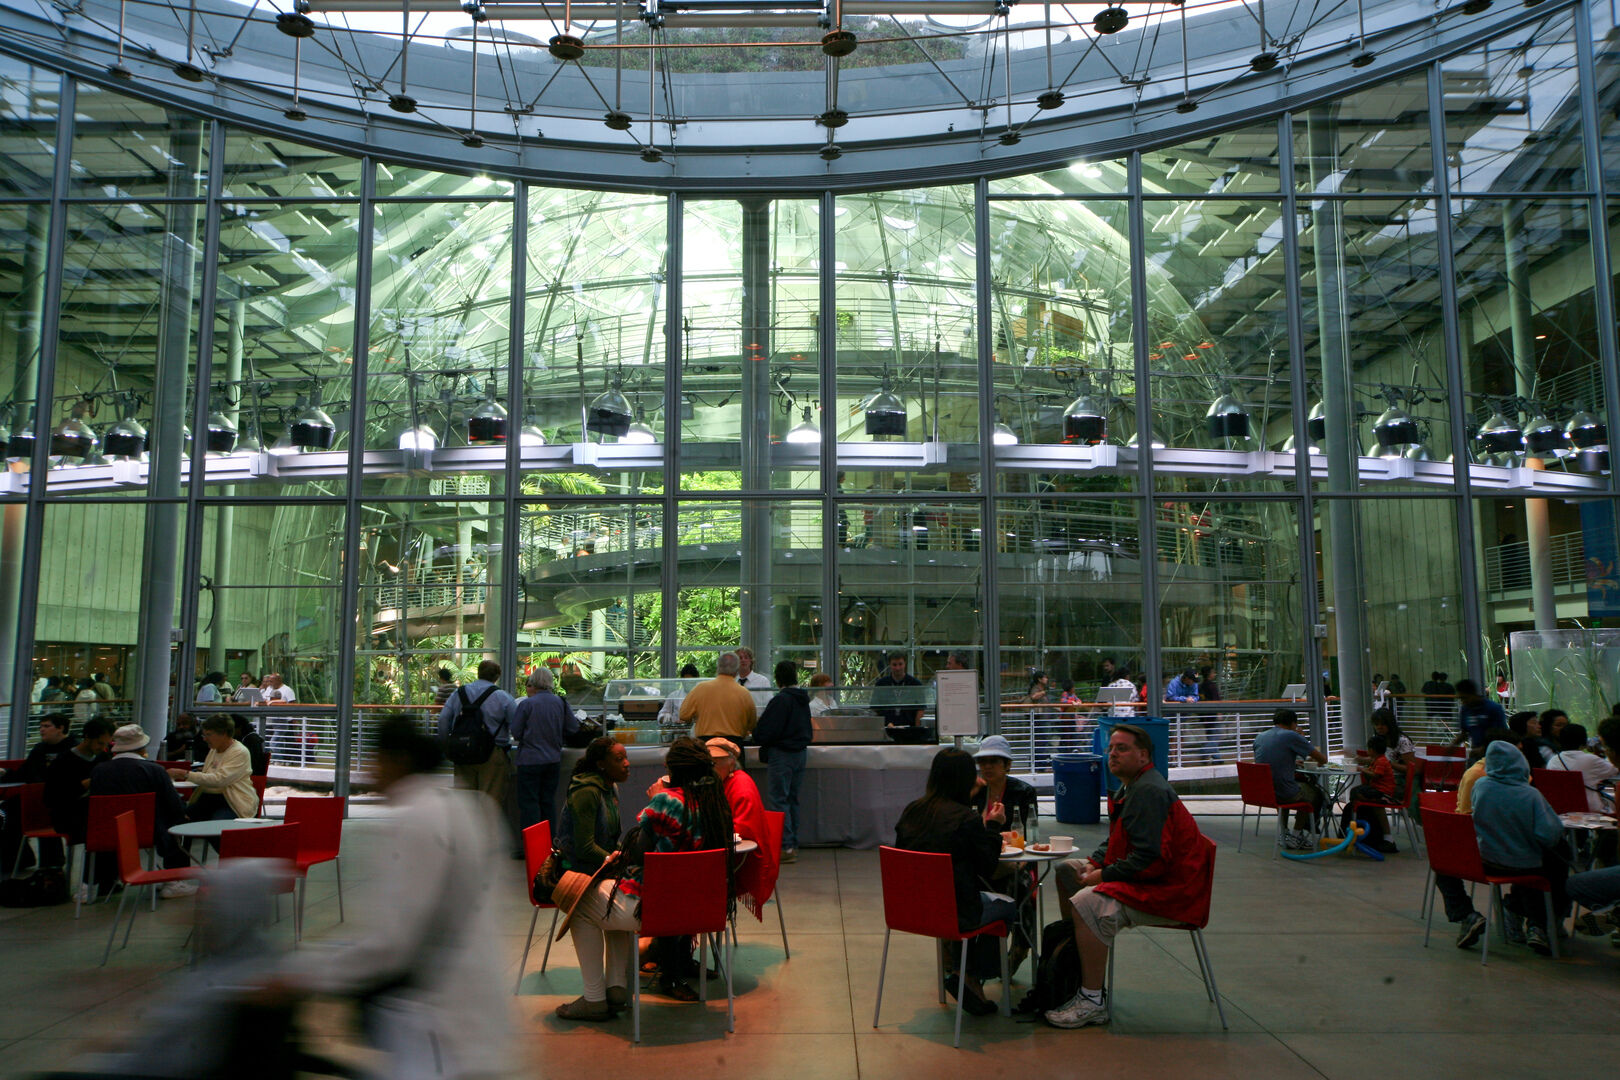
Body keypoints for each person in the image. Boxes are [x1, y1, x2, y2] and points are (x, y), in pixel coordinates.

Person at [272, 714, 513, 1078]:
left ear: (395, 759)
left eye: (374, 759)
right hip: (478, 1009)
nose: (371, 771)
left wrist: (304, 976)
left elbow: (392, 941)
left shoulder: (414, 817)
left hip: (436, 1025)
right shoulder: (469, 807)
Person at [1045, 724, 1211, 1030]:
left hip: (1170, 892)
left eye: (1122, 748)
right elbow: (1120, 836)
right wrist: (1094, 863)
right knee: (1066, 870)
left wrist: (1103, 875)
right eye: (1111, 749)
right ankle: (1075, 961)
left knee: (1087, 902)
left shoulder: (1149, 791)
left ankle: (1091, 1000)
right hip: (1151, 877)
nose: (1112, 754)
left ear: (1143, 755)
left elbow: (1152, 860)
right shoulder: (1133, 785)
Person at [558, 737, 734, 1022]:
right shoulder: (715, 803)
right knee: (605, 901)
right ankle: (616, 989)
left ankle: (594, 998)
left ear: (671, 768)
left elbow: (639, 855)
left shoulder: (667, 801)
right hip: (698, 910)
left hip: (658, 910)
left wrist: (655, 799)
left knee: (579, 903)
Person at [894, 747, 1014, 1017]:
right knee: (1005, 906)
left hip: (909, 910)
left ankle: (963, 972)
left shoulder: (912, 811)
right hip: (954, 914)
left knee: (967, 899)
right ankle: (971, 978)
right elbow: (987, 866)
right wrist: (993, 826)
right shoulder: (966, 819)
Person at [1471, 740, 1568, 955]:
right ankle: (1541, 924)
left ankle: (1516, 911)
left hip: (1486, 861)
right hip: (1523, 863)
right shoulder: (1531, 795)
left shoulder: (1481, 786)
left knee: (1539, 865)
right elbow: (1549, 834)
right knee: (1558, 863)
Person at [1436, 727, 1523, 949]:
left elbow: (1464, 818)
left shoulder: (1482, 776)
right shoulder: (1518, 779)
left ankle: (1470, 915)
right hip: (1510, 854)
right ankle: (1522, 913)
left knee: (1442, 864)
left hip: (1488, 853)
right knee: (1548, 861)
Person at [90, 725, 195, 894]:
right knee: (175, 825)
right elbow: (173, 804)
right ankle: (173, 881)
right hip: (148, 832)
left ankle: (93, 883)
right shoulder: (155, 770)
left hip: (107, 834)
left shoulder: (99, 771)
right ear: (142, 747)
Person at [968, 735, 1039, 975]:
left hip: (1014, 861)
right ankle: (975, 952)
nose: (987, 767)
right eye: (983, 761)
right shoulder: (976, 792)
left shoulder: (1023, 792)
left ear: (1006, 765)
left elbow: (1029, 833)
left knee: (1021, 882)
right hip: (981, 860)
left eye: (993, 761)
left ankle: (1019, 946)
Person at [707, 737, 777, 918]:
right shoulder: (719, 782)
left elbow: (744, 829)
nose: (710, 768)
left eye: (715, 763)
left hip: (746, 858)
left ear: (731, 764)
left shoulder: (741, 785)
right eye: (708, 763)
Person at [510, 666, 581, 838]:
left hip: (529, 760)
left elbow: (516, 732)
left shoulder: (527, 704)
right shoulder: (561, 703)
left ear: (533, 682)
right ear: (551, 683)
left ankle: (533, 845)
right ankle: (550, 844)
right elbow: (573, 728)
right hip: (553, 761)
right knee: (548, 802)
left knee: (529, 804)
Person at [435, 658, 517, 807]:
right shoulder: (503, 697)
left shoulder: (458, 694)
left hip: (462, 753)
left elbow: (442, 721)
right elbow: (516, 728)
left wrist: (447, 746)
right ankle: (487, 830)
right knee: (490, 804)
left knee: (465, 804)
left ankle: (466, 830)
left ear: (478, 673)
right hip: (493, 755)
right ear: (496, 677)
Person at [754, 659, 813, 862]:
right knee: (792, 799)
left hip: (782, 754)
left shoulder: (781, 700)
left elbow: (766, 730)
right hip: (800, 754)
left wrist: (757, 734)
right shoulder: (802, 699)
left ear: (778, 679)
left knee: (779, 799)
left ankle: (785, 846)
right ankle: (793, 843)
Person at [1252, 709, 1328, 849]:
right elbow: (1323, 759)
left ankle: (1284, 833)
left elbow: (1272, 760)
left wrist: (1292, 762)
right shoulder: (1291, 736)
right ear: (1293, 723)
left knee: (1285, 788)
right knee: (1315, 794)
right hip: (1284, 792)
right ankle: (1296, 835)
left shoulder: (1260, 737)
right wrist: (1301, 740)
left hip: (1265, 793)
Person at [557, 737, 627, 873]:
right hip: (577, 871)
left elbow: (609, 840)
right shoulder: (587, 792)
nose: (627, 763)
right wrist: (612, 859)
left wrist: (622, 854)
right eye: (619, 759)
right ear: (601, 764)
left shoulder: (611, 788)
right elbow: (585, 849)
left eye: (626, 758)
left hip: (598, 866)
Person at [170, 715, 256, 822]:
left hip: (231, 802)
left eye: (209, 735)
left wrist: (185, 774)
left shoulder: (239, 752)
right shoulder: (214, 749)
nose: (205, 739)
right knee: (176, 817)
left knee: (216, 826)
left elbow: (220, 780)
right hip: (208, 799)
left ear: (224, 734)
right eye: (204, 735)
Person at [44, 717, 115, 845]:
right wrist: (85, 784)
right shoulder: (63, 761)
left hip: (92, 813)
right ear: (87, 737)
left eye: (106, 744)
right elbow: (53, 797)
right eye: (100, 743)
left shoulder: (103, 758)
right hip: (67, 816)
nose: (103, 747)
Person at [679, 651, 758, 751]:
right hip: (734, 746)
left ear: (718, 668)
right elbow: (751, 724)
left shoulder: (701, 688)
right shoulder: (744, 693)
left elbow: (683, 715)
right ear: (736, 670)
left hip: (705, 745)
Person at [1344, 734, 1400, 852]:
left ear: (1373, 750)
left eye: (1369, 749)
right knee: (1356, 791)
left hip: (1383, 793)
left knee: (1356, 792)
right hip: (1379, 790)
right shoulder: (1377, 760)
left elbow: (1376, 775)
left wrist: (1361, 769)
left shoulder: (1381, 761)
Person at [1546, 723, 1619, 813]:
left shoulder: (1553, 760)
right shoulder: (1590, 759)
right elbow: (1615, 768)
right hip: (1591, 810)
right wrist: (1608, 751)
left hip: (1563, 811)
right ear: (1584, 741)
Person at [873, 652, 925, 732]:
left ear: (905, 664)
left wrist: (917, 730)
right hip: (886, 729)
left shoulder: (915, 684)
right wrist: (885, 723)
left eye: (900, 664)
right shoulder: (881, 684)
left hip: (909, 730)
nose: (898, 668)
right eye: (894, 665)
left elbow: (920, 710)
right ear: (889, 665)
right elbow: (875, 709)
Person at [1453, 678, 1506, 749]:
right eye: (1461, 699)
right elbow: (1464, 733)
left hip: (1495, 751)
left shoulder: (1494, 708)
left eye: (1464, 698)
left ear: (1473, 694)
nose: (1463, 701)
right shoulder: (1465, 710)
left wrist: (1483, 749)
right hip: (1476, 751)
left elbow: (1502, 735)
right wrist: (1452, 746)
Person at [735, 646, 773, 710]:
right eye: (740, 658)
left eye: (746, 657)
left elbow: (769, 704)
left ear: (751, 661)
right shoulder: (732, 681)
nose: (743, 660)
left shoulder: (762, 681)